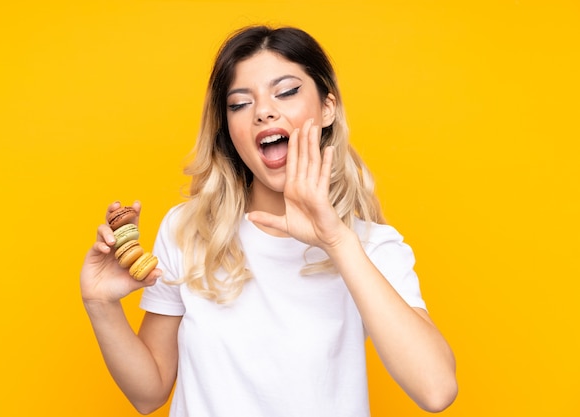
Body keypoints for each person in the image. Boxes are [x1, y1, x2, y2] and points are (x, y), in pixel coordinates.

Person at [80, 25, 457, 416]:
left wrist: (336, 241)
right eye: (240, 103)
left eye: (287, 91)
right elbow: (149, 393)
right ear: (229, 130)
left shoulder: (370, 245)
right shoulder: (189, 231)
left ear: (327, 107)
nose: (263, 111)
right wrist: (100, 303)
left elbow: (436, 390)